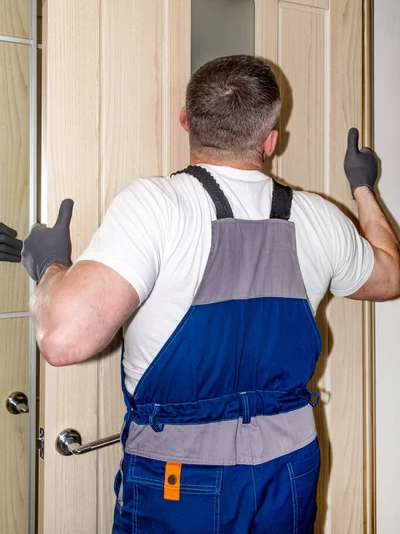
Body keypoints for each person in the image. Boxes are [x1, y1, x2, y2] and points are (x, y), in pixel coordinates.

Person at [22, 55, 400, 533]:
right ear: (270, 140)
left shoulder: (157, 206)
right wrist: (362, 185)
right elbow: (390, 276)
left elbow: (62, 339)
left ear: (186, 120)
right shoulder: (320, 217)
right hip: (288, 471)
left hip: (180, 483)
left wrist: (48, 266)